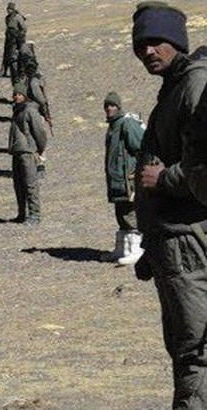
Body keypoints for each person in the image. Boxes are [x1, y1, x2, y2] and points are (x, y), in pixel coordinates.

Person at [131, 2, 207, 408]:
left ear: (177, 41)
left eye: (156, 41)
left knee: (196, 355)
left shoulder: (195, 85)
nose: (148, 51)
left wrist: (165, 179)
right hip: (174, 248)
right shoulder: (174, 88)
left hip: (190, 247)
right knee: (186, 350)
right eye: (140, 44)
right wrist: (152, 247)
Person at [100, 91, 144, 264]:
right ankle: (122, 249)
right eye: (107, 106)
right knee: (121, 213)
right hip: (117, 180)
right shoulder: (113, 126)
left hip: (128, 180)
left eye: (112, 105)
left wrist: (137, 171)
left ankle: (137, 250)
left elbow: (141, 147)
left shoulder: (127, 124)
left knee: (131, 214)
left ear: (118, 106)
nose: (109, 108)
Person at [8, 83, 47, 225]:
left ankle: (35, 215)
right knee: (18, 185)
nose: (16, 97)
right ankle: (22, 214)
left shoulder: (30, 111)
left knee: (30, 184)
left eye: (19, 94)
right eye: (15, 94)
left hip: (28, 152)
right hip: (17, 152)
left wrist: (39, 149)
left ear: (25, 96)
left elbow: (40, 132)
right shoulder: (17, 110)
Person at [0, 2, 27, 79]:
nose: (9, 11)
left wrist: (19, 37)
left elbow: (24, 28)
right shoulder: (7, 18)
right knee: (7, 54)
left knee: (16, 55)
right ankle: (4, 71)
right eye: (8, 9)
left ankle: (19, 72)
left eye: (10, 9)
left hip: (17, 38)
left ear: (13, 9)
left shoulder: (18, 17)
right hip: (9, 38)